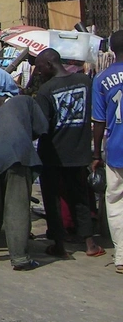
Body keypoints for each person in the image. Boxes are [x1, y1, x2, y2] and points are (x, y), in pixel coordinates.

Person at [35, 48, 104, 258]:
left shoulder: (46, 91)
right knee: (80, 198)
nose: (38, 72)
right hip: (79, 152)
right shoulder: (85, 81)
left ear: (49, 64)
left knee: (52, 199)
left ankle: (59, 244)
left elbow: (40, 125)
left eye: (39, 68)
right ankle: (90, 244)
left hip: (52, 154)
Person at [0, 93, 48, 270]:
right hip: (17, 155)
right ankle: (20, 258)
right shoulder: (27, 101)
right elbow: (42, 128)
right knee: (17, 207)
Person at [92, 30, 123, 275]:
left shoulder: (101, 79)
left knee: (115, 202)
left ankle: (121, 257)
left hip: (115, 150)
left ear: (111, 50)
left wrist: (95, 154)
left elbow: (98, 122)